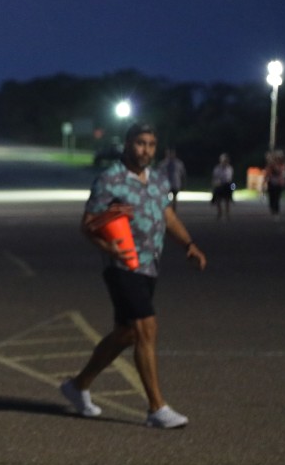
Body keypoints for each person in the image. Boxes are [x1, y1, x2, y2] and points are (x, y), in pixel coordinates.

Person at [60, 122, 207, 429]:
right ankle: (157, 408)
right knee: (146, 328)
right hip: (123, 265)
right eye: (140, 143)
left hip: (150, 265)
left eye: (151, 144)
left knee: (126, 334)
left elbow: (167, 215)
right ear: (128, 144)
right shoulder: (110, 179)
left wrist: (189, 245)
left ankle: (78, 385)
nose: (146, 150)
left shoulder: (158, 179)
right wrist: (107, 247)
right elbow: (88, 223)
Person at [263, 149, 285, 218]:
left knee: (277, 197)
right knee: (272, 196)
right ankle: (272, 208)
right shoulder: (270, 165)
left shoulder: (282, 165)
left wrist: (274, 165)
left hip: (279, 183)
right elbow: (267, 173)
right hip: (271, 182)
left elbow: (280, 171)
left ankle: (276, 210)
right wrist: (264, 182)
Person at [210, 153, 234, 220]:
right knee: (217, 198)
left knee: (227, 199)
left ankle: (227, 213)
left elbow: (229, 178)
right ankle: (219, 212)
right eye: (223, 160)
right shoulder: (217, 168)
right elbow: (214, 178)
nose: (224, 162)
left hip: (226, 185)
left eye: (226, 160)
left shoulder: (229, 168)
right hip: (219, 185)